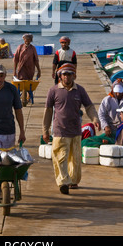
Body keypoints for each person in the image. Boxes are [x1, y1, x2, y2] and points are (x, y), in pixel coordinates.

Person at [42, 62, 100, 195]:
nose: (67, 77)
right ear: (60, 76)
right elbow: (48, 111)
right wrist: (45, 131)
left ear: (74, 76)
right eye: (64, 74)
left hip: (75, 131)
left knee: (75, 159)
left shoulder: (80, 90)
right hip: (59, 131)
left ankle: (73, 180)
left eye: (69, 74)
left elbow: (89, 106)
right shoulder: (53, 91)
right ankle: (63, 182)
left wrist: (95, 119)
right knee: (60, 157)